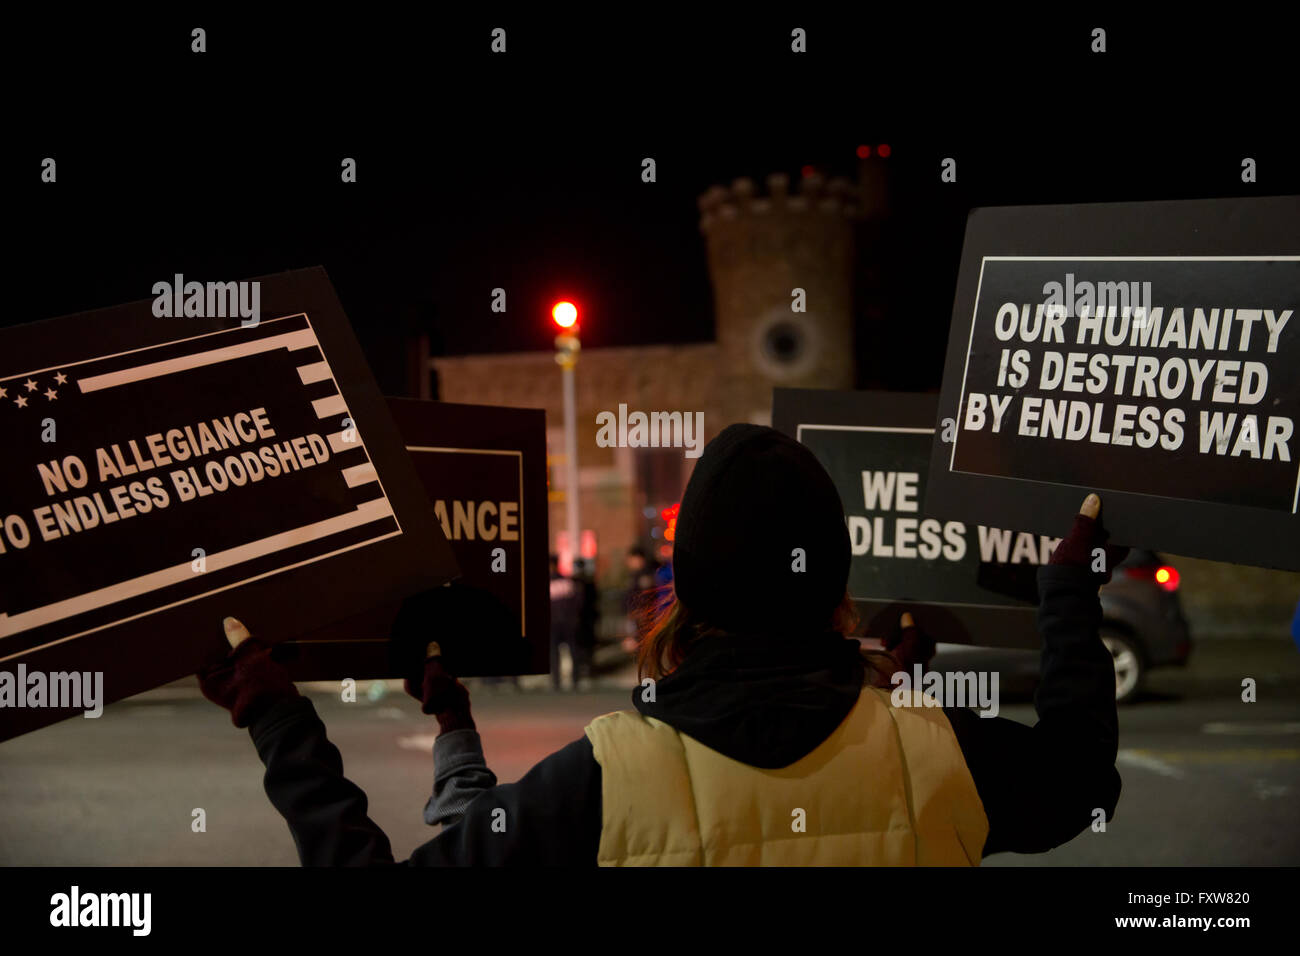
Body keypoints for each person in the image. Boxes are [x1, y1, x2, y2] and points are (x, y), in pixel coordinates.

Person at [199, 423, 1122, 865]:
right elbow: (1081, 778)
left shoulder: (603, 781)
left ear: (683, 593)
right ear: (836, 587)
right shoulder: (938, 755)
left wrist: (281, 720)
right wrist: (1067, 595)